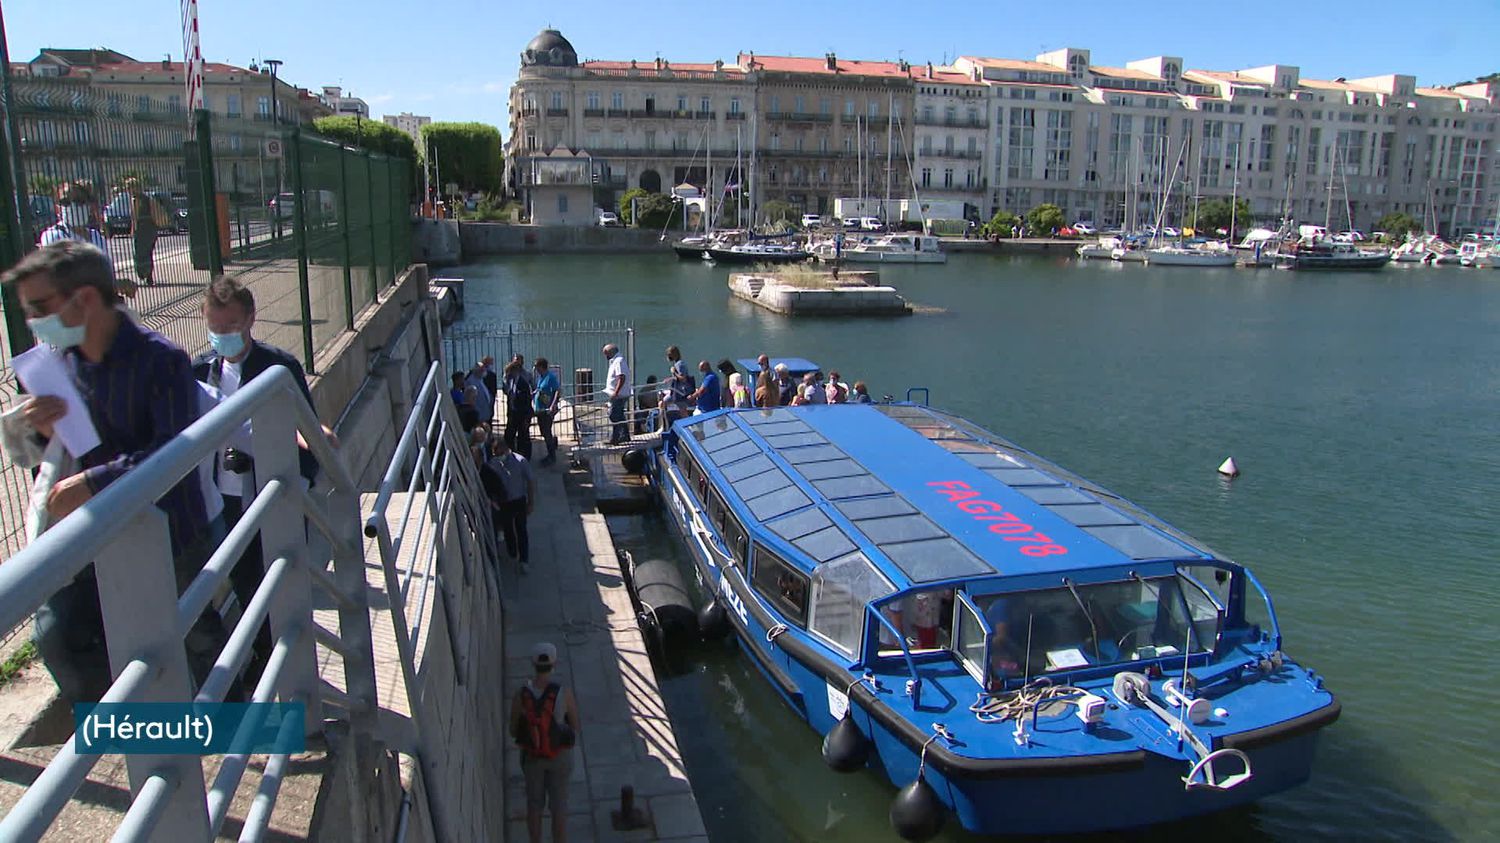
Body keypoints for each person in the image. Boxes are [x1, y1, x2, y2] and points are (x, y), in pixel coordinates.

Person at [1, 240, 221, 704]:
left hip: (170, 533)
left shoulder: (162, 361)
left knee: (199, 643)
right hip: (93, 534)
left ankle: (235, 740)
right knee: (58, 633)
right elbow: (73, 445)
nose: (33, 321)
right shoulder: (63, 363)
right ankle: (129, 735)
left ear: (84, 299)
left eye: (40, 307)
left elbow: (172, 457)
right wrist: (44, 431)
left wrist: (89, 483)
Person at [193, 275, 338, 683]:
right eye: (215, 329)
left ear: (251, 319)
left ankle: (276, 666)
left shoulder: (278, 368)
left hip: (269, 499)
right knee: (241, 583)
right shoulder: (199, 371)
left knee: (272, 586)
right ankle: (260, 660)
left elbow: (307, 433)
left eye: (230, 327)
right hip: (220, 501)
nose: (222, 337)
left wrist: (303, 482)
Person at [510, 642, 579, 843]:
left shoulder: (521, 695)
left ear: (533, 664)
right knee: (558, 806)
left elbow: (512, 730)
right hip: (559, 756)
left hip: (532, 758)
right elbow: (575, 725)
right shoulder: (563, 693)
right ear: (553, 663)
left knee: (534, 805)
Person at [39, 182, 126, 298]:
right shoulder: (53, 235)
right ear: (57, 208)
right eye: (65, 202)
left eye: (79, 201)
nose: (73, 207)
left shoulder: (96, 236)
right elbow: (62, 276)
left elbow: (107, 272)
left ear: (89, 206)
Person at [481, 434, 536, 573]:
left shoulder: (520, 461)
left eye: (499, 452)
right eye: (494, 452)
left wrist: (531, 502)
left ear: (505, 448)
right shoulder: (493, 464)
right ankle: (512, 552)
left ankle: (524, 559)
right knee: (508, 529)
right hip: (504, 503)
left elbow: (530, 482)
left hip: (519, 500)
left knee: (521, 529)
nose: (497, 455)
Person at [124, 179, 164, 287]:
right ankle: (149, 275)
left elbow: (135, 217)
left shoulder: (136, 199)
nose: (127, 190)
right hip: (151, 228)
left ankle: (143, 273)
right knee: (148, 252)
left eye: (129, 188)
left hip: (142, 230)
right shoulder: (148, 198)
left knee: (140, 253)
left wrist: (133, 230)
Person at [502, 359, 533, 458]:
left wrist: (526, 418)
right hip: (513, 413)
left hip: (522, 414)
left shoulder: (522, 384)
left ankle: (525, 457)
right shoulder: (512, 381)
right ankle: (512, 454)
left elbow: (526, 401)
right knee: (509, 436)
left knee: (523, 437)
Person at [531, 357, 560, 466]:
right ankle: (553, 443)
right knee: (543, 431)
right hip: (540, 408)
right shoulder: (541, 377)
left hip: (547, 409)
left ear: (541, 366)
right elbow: (539, 389)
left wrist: (553, 405)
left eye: (536, 366)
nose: (535, 368)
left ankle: (551, 456)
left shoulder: (550, 377)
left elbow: (557, 390)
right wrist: (534, 393)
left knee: (546, 432)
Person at [602, 343, 631, 445]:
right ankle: (624, 436)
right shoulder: (615, 361)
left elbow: (621, 377)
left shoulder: (619, 361)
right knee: (619, 415)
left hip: (619, 395)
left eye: (606, 354)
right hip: (618, 394)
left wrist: (616, 392)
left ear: (611, 353)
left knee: (614, 415)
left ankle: (616, 438)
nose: (605, 356)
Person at [467, 361, 495, 432]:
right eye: (482, 370)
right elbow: (471, 399)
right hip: (479, 416)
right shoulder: (471, 382)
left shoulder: (480, 380)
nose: (484, 372)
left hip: (485, 414)